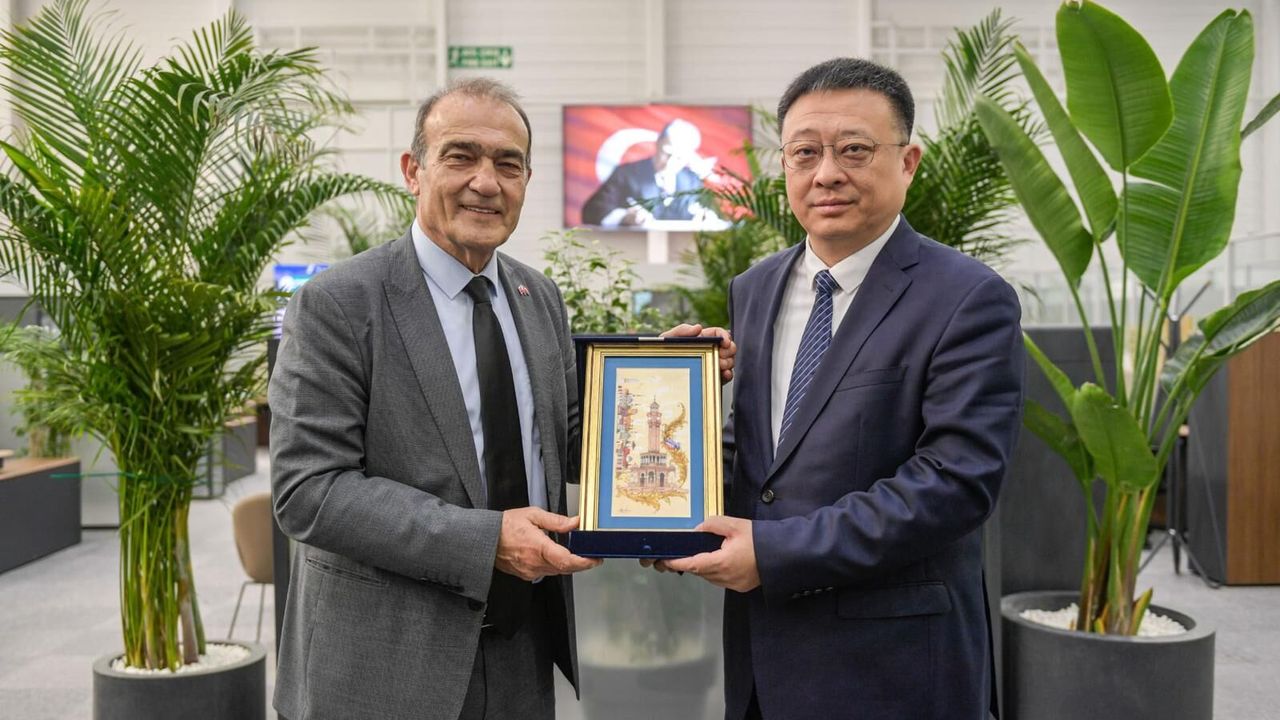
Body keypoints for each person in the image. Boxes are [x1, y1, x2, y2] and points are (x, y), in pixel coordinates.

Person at [269, 77, 734, 720]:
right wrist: (486, 541)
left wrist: (666, 375)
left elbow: (570, 439)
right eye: (461, 156)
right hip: (387, 663)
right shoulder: (339, 304)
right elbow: (309, 490)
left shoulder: (536, 297)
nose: (486, 182)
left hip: (523, 650)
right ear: (413, 171)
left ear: (526, 181)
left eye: (508, 164)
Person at [659, 58, 1025, 720]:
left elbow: (954, 482)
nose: (826, 172)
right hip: (763, 658)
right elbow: (761, 455)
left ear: (908, 162)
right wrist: (666, 470)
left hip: (893, 667)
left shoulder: (968, 298)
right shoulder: (755, 288)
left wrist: (774, 553)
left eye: (854, 149)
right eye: (805, 153)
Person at [580, 118, 721, 228]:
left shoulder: (692, 181)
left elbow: (714, 213)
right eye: (667, 153)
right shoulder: (626, 174)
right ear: (658, 143)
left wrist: (708, 217)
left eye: (679, 158)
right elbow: (591, 211)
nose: (670, 163)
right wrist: (624, 217)